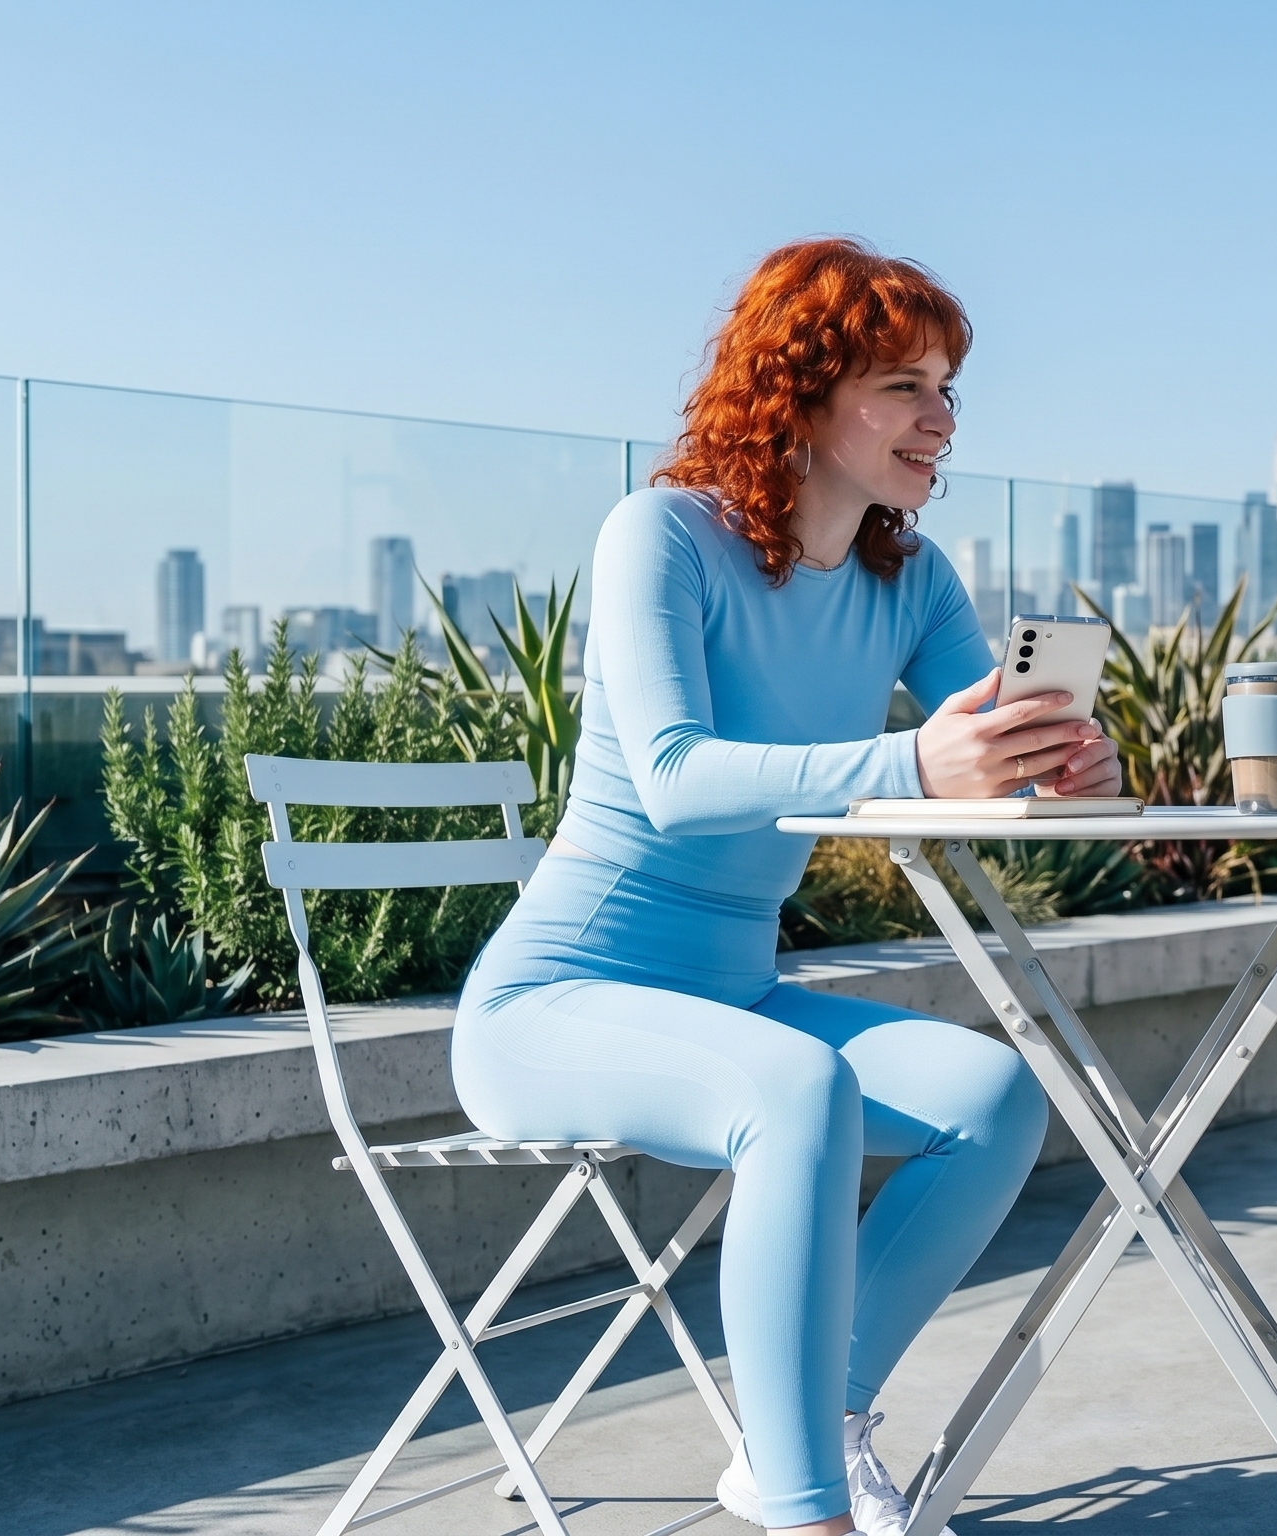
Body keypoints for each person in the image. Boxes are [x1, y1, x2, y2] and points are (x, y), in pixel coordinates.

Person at [452, 238, 1117, 1536]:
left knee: (990, 1093)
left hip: (734, 995)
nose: (943, 419)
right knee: (798, 1087)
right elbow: (674, 779)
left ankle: (811, 1434)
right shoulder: (664, 538)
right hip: (557, 1000)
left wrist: (1053, 764)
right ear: (802, 396)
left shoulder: (909, 578)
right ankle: (807, 1515)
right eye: (904, 387)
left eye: (948, 389)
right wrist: (917, 758)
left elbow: (967, 754)